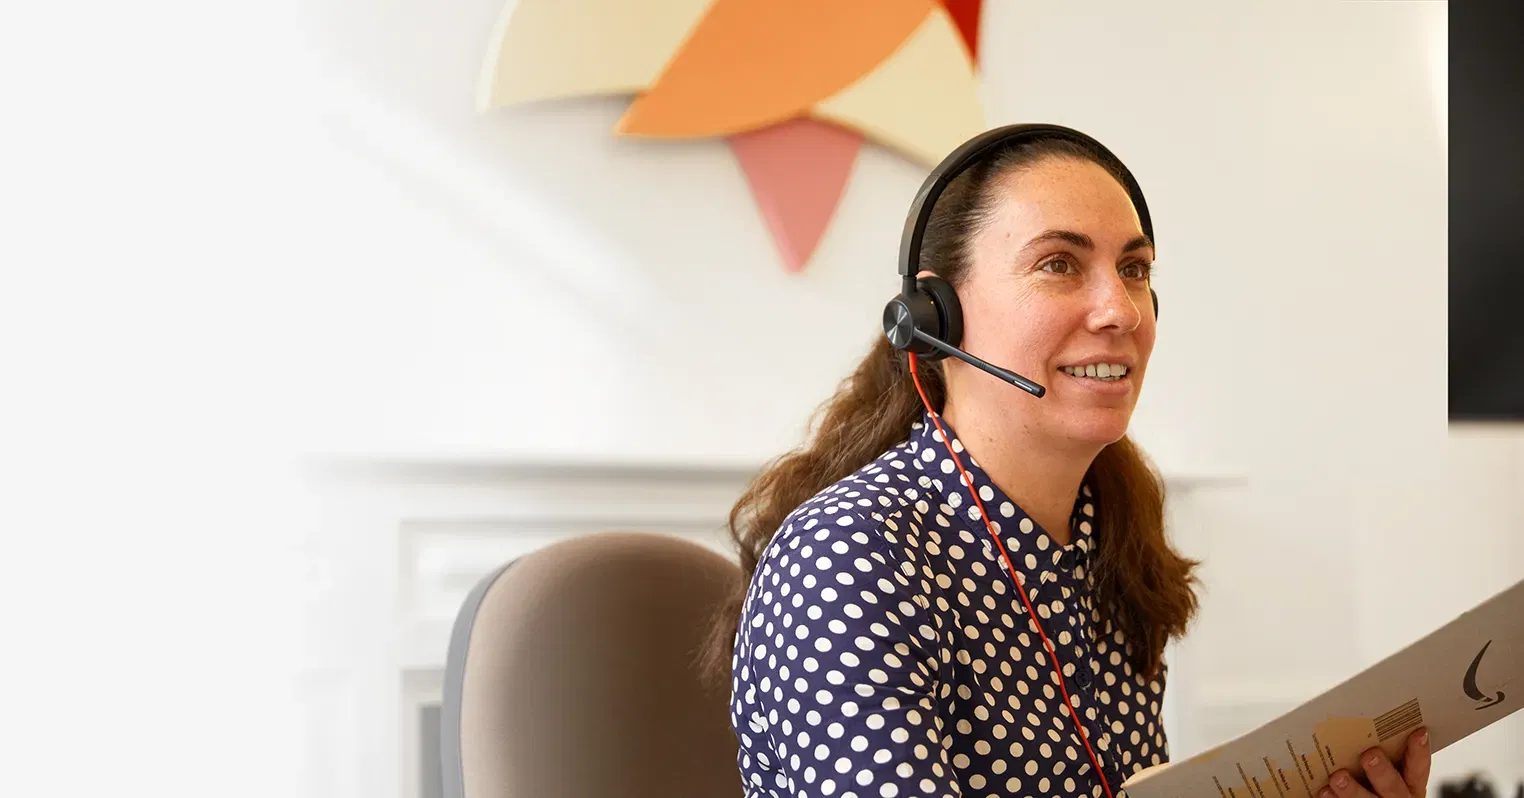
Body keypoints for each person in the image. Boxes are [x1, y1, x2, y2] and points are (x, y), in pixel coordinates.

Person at [698, 125, 1431, 798]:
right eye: (1059, 264)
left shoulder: (1110, 542)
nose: (1121, 310)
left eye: (1135, 268)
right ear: (934, 318)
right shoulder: (850, 554)